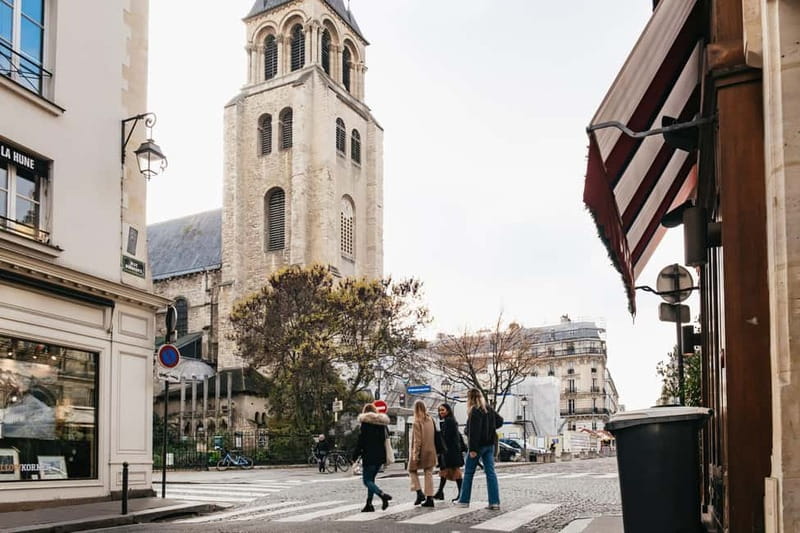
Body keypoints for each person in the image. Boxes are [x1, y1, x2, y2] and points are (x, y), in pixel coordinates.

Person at [457, 389, 502, 510]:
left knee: (468, 473)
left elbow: (474, 432)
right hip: (490, 445)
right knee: (490, 473)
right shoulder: (488, 409)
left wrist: (472, 449)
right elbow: (500, 421)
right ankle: (494, 502)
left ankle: (464, 500)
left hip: (478, 446)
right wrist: (490, 428)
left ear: (469, 398)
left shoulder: (474, 411)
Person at [351, 403, 393, 512]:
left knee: (366, 481)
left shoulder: (365, 424)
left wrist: (354, 456)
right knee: (371, 480)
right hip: (380, 456)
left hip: (369, 456)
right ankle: (369, 504)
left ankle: (382, 495)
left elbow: (361, 442)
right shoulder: (382, 424)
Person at [408, 400, 437, 507]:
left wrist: (415, 454)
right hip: (431, 450)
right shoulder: (430, 419)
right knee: (428, 473)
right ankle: (430, 497)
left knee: (411, 470)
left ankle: (419, 492)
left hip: (421, 451)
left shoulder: (417, 422)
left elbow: (417, 440)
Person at [434, 403, 464, 502]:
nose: (441, 412)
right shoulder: (448, 421)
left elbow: (447, 437)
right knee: (444, 471)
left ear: (448, 410)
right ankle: (440, 492)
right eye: (439, 410)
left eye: (442, 410)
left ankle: (461, 493)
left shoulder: (449, 421)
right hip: (449, 451)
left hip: (451, 451)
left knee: (455, 472)